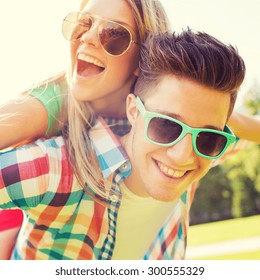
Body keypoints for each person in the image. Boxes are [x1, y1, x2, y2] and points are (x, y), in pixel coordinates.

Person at [0, 28, 246, 260]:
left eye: (208, 138)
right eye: (166, 125)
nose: (183, 155)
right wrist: (42, 106)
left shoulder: (201, 161)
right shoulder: (59, 170)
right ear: (132, 110)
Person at [0, 0, 171, 259]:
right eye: (83, 24)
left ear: (143, 58)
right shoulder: (46, 107)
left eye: (114, 33)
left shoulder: (171, 123)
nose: (88, 37)